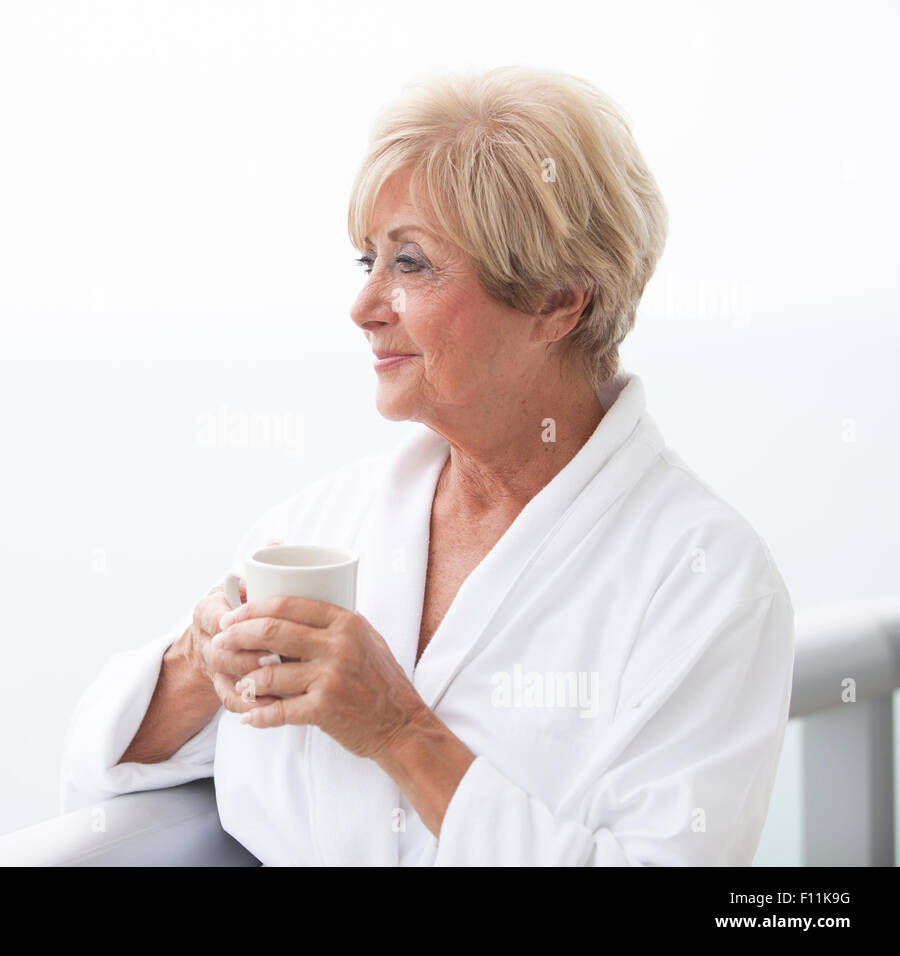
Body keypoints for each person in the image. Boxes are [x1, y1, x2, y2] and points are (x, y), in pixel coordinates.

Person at [59, 65, 794, 865]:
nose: (363, 305)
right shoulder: (312, 530)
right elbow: (99, 783)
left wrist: (400, 731)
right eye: (366, 260)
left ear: (557, 301)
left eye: (410, 264)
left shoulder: (705, 582)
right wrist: (200, 662)